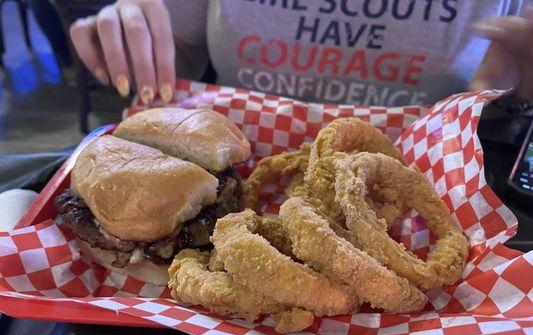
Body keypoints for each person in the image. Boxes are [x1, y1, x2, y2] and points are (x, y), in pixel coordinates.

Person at [69, 0, 533, 107]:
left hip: (445, 189)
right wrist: (137, 44)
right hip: (241, 173)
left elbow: (506, 84)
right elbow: (182, 50)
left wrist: (515, 89)